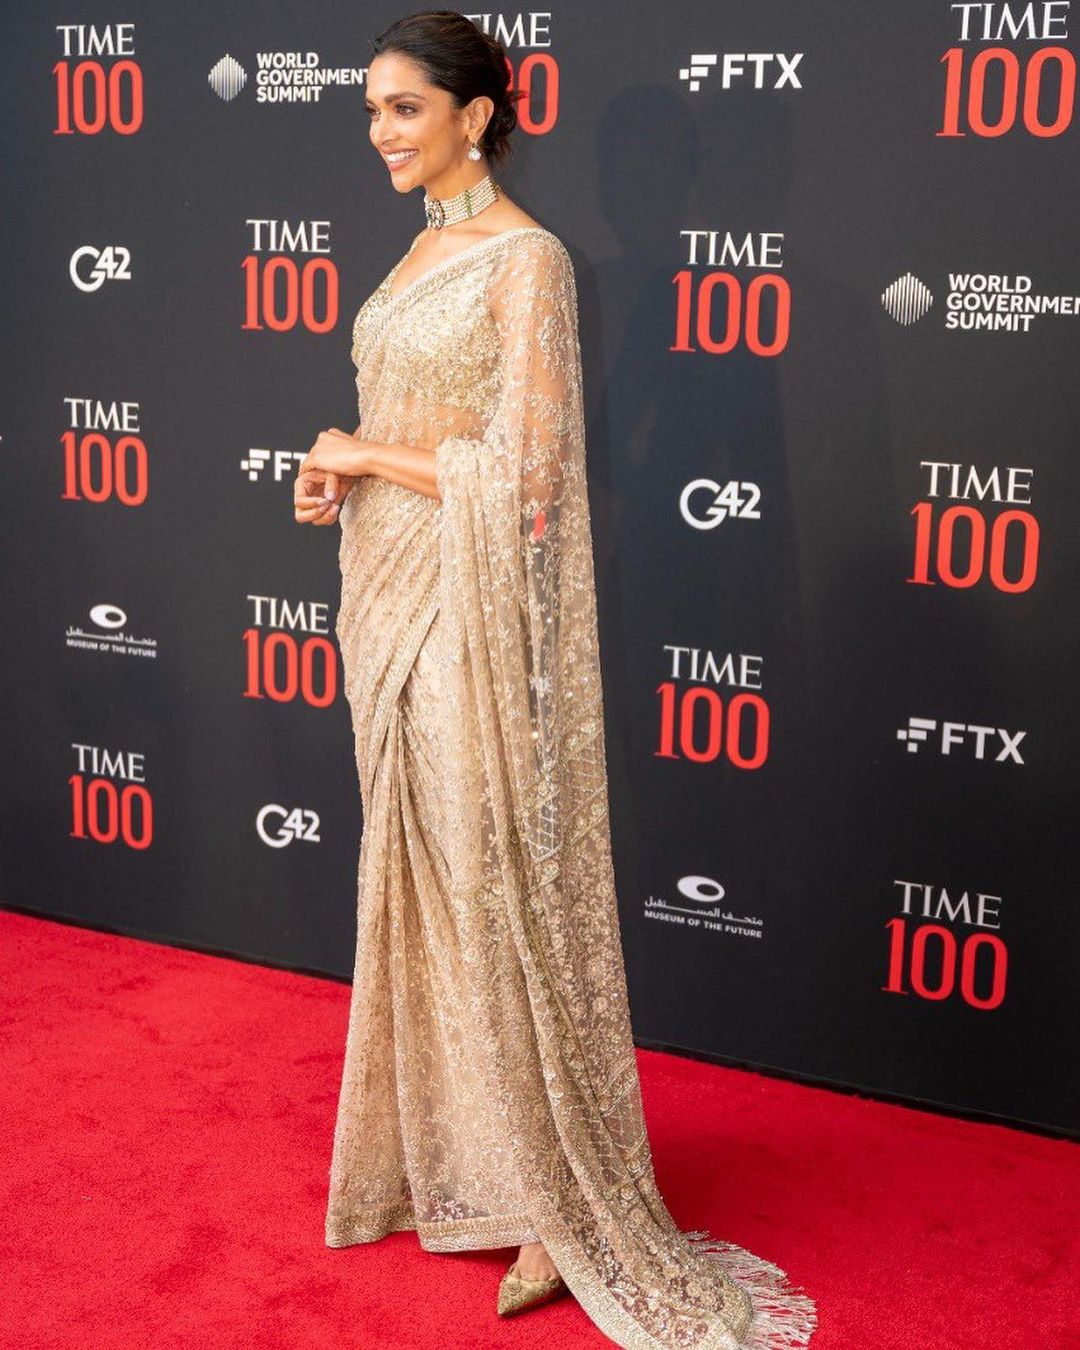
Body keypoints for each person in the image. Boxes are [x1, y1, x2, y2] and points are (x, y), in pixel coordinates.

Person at [295, 11, 817, 1348]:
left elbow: (526, 476)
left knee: (490, 880)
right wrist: (337, 475)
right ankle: (446, 1154)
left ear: (475, 116)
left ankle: (554, 1193)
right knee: (417, 873)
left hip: (464, 612)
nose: (381, 134)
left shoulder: (529, 261)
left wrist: (360, 452)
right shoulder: (416, 254)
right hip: (384, 594)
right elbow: (413, 427)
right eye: (371, 111)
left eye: (405, 109)